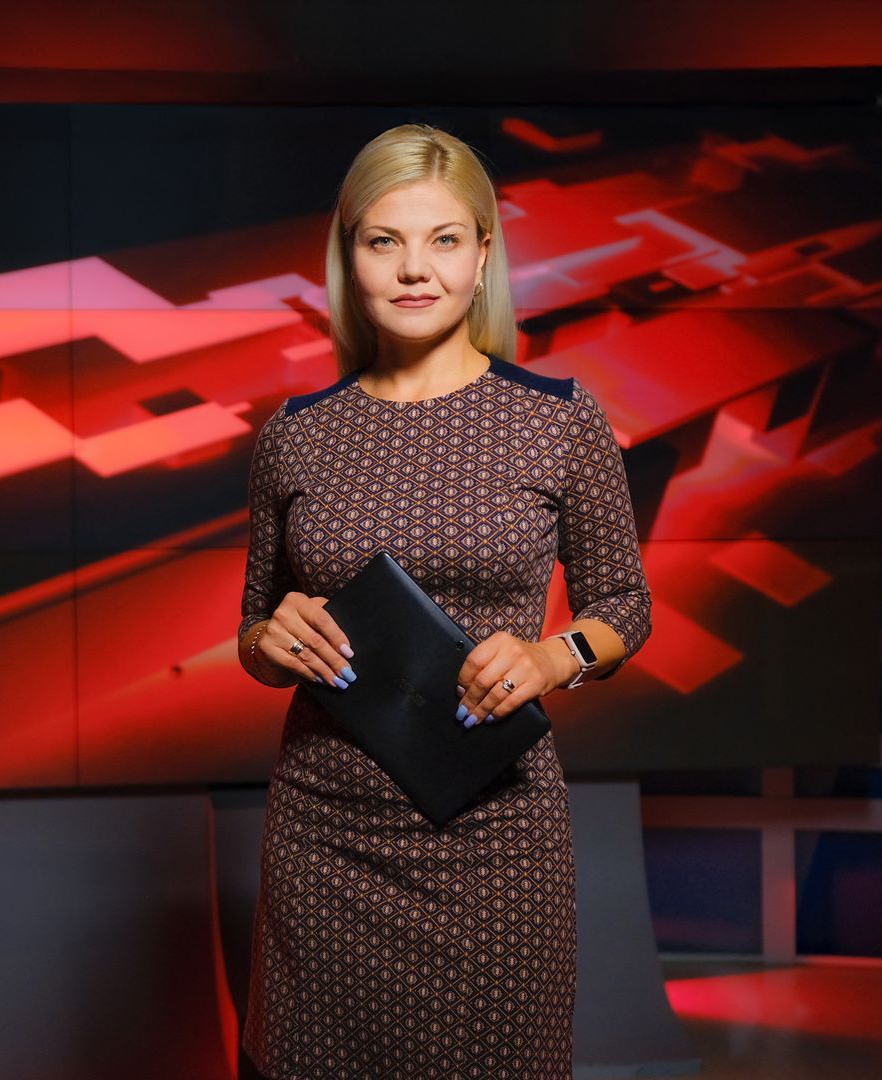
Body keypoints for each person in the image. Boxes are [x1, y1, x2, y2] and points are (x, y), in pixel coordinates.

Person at [233, 122, 653, 1079]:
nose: (415, 269)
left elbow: (624, 601)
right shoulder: (296, 435)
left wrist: (553, 658)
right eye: (385, 241)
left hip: (497, 836)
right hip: (324, 838)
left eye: (443, 239)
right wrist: (271, 637)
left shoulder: (559, 418)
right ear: (350, 256)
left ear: (483, 253)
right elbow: (253, 630)